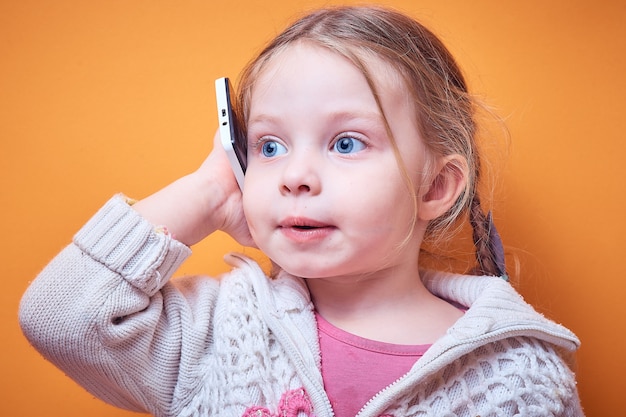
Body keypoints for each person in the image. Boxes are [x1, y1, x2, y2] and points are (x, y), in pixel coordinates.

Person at [19, 5, 584, 417]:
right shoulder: (221, 331)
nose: (293, 175)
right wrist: (209, 193)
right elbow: (59, 316)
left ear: (435, 186)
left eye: (345, 143)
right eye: (269, 146)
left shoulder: (518, 375)